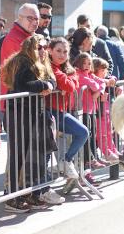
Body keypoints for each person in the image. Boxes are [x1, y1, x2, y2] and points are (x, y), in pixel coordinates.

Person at [1, 35, 60, 212]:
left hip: (32, 114)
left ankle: (28, 194)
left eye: (45, 47)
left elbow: (53, 79)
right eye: (40, 47)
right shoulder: (22, 60)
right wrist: (44, 85)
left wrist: (47, 84)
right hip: (18, 114)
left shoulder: (39, 61)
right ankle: (12, 198)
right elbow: (22, 85)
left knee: (30, 157)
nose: (44, 51)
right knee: (18, 156)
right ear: (32, 47)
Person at [47, 37, 89, 180]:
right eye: (58, 51)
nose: (62, 55)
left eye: (65, 52)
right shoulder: (49, 66)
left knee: (83, 132)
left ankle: (66, 160)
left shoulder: (65, 67)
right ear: (50, 50)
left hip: (60, 112)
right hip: (48, 113)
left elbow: (74, 82)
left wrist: (67, 82)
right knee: (46, 151)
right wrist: (66, 83)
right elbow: (70, 85)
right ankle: (41, 187)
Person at [74, 52, 107, 179]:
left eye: (89, 63)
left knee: (92, 136)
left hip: (91, 110)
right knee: (86, 137)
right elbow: (94, 84)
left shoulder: (89, 75)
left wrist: (98, 91)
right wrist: (97, 89)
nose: (87, 65)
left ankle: (91, 164)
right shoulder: (80, 75)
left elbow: (101, 83)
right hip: (83, 111)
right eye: (84, 63)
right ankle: (89, 163)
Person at [0, 3, 40, 103]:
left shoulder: (31, 37)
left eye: (37, 19)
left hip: (27, 99)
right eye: (30, 18)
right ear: (20, 17)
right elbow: (32, 68)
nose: (35, 22)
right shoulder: (13, 38)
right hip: (14, 102)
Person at [93, 57, 120, 163]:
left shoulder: (105, 79)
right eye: (103, 70)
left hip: (106, 109)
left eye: (106, 70)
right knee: (102, 132)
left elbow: (112, 77)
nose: (105, 72)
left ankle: (112, 149)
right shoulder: (96, 80)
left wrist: (112, 80)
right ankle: (107, 152)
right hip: (99, 111)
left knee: (109, 131)